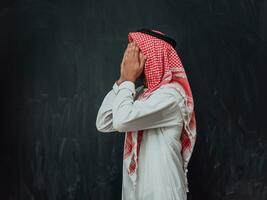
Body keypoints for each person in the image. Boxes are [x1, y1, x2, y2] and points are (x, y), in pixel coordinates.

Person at [96, 29, 197, 200]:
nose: (131, 60)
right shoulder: (139, 94)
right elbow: (104, 122)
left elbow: (122, 121)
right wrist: (122, 80)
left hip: (163, 193)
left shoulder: (171, 97)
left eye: (137, 53)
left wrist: (128, 81)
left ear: (155, 57)